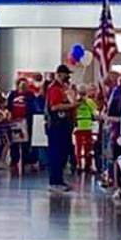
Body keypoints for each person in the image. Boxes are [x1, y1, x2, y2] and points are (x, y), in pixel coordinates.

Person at [45, 65, 78, 193]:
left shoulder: (64, 88)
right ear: (59, 74)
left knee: (63, 153)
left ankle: (60, 179)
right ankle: (54, 181)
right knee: (56, 154)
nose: (68, 77)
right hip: (56, 125)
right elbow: (54, 107)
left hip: (65, 125)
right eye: (66, 74)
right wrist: (71, 105)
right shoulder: (54, 89)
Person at [74, 87, 97, 175]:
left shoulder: (86, 101)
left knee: (83, 148)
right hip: (83, 127)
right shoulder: (85, 101)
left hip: (83, 127)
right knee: (82, 148)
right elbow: (95, 112)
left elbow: (94, 111)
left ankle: (84, 165)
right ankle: (82, 165)